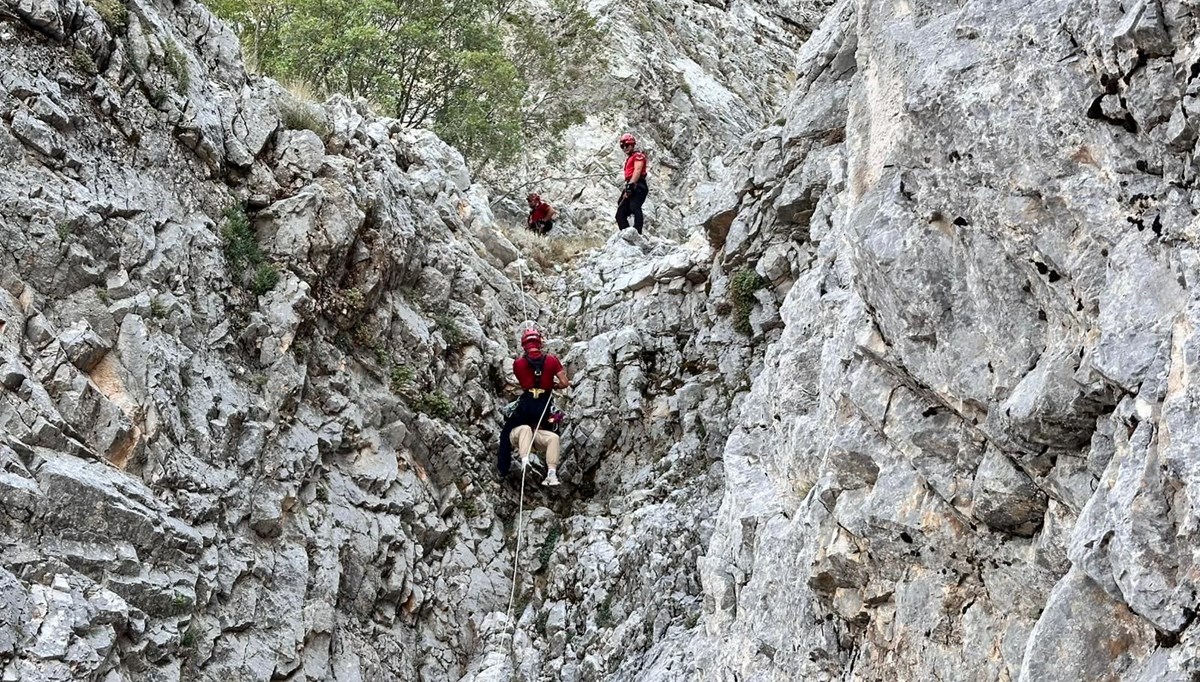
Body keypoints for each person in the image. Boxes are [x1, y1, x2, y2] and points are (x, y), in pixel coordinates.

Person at [497, 328, 571, 486]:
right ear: (540, 342)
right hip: (542, 409)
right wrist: (551, 386)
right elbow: (564, 383)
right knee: (553, 438)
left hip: (525, 410)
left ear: (524, 345)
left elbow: (524, 381)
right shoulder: (551, 360)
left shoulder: (518, 364)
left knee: (507, 434)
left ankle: (507, 467)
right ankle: (551, 473)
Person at [616, 133, 648, 233]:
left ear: (632, 145)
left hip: (638, 184)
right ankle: (627, 233)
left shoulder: (638, 156)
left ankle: (637, 232)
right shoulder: (629, 159)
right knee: (620, 213)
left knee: (635, 206)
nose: (625, 148)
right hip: (630, 184)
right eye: (622, 146)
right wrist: (628, 186)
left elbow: (637, 170)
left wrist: (631, 184)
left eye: (627, 145)